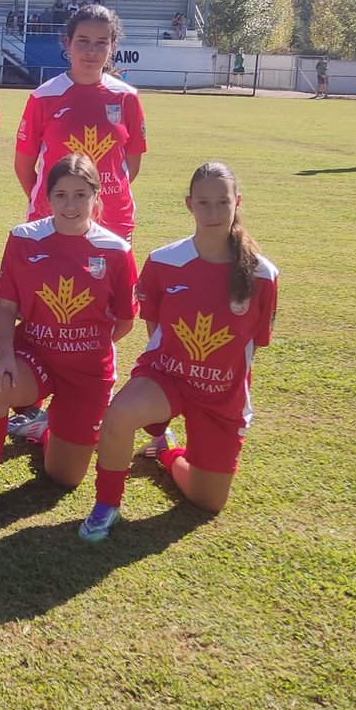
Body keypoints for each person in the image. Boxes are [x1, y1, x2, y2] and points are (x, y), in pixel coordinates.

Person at [78, 162, 278, 542]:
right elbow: (155, 329)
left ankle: (167, 452)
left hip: (222, 395)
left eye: (222, 202)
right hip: (168, 378)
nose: (213, 212)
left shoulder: (262, 276)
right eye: (204, 202)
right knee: (119, 414)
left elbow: (253, 346)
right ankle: (107, 505)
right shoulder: (163, 262)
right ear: (189, 204)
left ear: (238, 203)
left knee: (208, 502)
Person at [0, 154, 137, 527]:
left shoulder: (116, 250)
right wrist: (5, 356)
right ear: (47, 198)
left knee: (64, 478)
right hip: (33, 357)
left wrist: (90, 345)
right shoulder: (24, 239)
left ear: (96, 196)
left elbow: (124, 321)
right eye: (60, 195)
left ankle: (45, 426)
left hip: (87, 371)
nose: (70, 205)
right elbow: (6, 308)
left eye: (80, 195)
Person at [12, 3, 145, 439]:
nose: (91, 51)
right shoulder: (44, 96)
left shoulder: (126, 98)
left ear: (112, 48)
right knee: (44, 308)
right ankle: (33, 403)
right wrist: (55, 207)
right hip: (51, 222)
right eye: (82, 41)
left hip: (112, 223)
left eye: (101, 43)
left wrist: (99, 207)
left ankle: (87, 388)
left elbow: (131, 166)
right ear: (66, 44)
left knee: (104, 312)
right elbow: (26, 166)